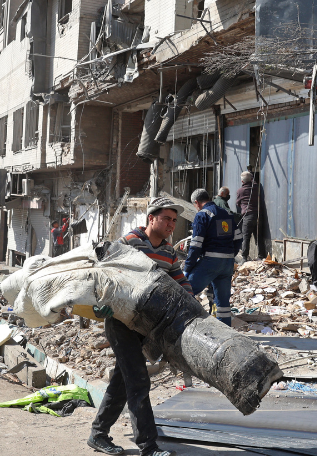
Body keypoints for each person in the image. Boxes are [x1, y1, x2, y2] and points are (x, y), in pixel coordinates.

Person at [88, 197, 190, 456]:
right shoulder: (129, 242)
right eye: (166, 219)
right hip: (121, 322)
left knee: (122, 381)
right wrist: (99, 303)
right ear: (151, 218)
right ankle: (148, 446)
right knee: (138, 380)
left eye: (174, 220)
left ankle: (98, 434)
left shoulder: (168, 251)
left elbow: (180, 282)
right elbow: (103, 273)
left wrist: (192, 305)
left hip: (145, 326)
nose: (171, 224)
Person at [185, 188, 242, 327]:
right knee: (223, 304)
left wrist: (187, 268)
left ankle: (182, 327)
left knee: (184, 291)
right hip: (227, 263)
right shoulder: (227, 213)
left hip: (210, 262)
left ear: (196, 202)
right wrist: (230, 255)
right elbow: (239, 238)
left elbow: (196, 245)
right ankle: (226, 332)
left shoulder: (202, 215)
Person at [235, 171, 271, 261]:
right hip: (258, 215)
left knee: (246, 238)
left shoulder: (240, 191)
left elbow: (238, 203)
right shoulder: (257, 188)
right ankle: (261, 256)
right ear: (251, 179)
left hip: (247, 216)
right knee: (258, 237)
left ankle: (244, 258)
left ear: (242, 181)